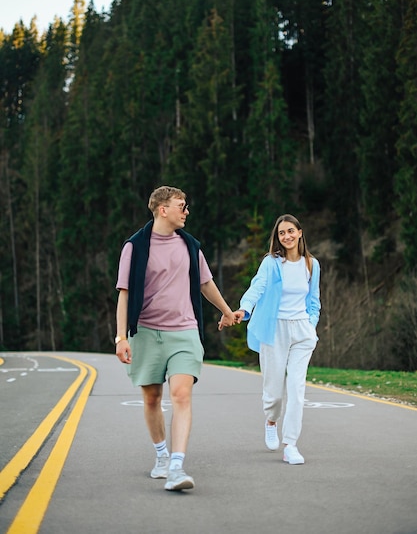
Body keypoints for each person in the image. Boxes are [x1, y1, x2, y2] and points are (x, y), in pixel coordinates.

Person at [115, 185, 235, 491]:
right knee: (152, 397)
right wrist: (121, 337)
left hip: (184, 331)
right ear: (162, 209)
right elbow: (125, 295)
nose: (187, 211)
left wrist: (226, 311)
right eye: (181, 205)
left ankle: (177, 467)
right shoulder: (135, 247)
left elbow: (205, 283)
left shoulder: (190, 246)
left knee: (181, 395)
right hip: (145, 332)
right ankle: (161, 456)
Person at [234, 214, 320, 465]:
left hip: (302, 332)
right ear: (277, 237)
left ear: (300, 233)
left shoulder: (312, 265)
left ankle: (290, 444)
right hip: (274, 331)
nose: (287, 236)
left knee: (296, 388)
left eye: (291, 231)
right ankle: (271, 420)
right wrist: (244, 309)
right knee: (274, 393)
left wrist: (311, 326)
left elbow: (314, 300)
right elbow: (257, 287)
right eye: (282, 233)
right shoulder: (271, 263)